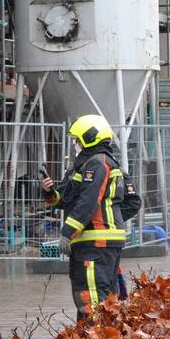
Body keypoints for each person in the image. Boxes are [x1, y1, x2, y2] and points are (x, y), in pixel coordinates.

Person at [41, 114, 128, 318]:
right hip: (93, 243)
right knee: (102, 298)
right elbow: (66, 199)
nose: (75, 144)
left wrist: (67, 232)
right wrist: (50, 193)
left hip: (95, 242)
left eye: (77, 139)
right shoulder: (85, 165)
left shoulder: (98, 164)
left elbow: (89, 201)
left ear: (90, 138)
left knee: (92, 299)